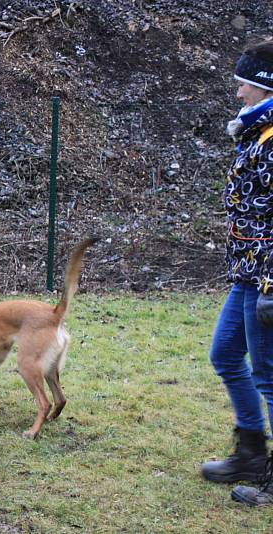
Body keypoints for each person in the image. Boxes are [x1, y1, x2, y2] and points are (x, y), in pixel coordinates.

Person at [200, 40, 273, 507]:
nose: (239, 92)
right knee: (225, 354)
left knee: (269, 374)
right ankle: (251, 453)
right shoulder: (255, 133)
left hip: (268, 277)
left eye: (244, 83)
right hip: (248, 272)